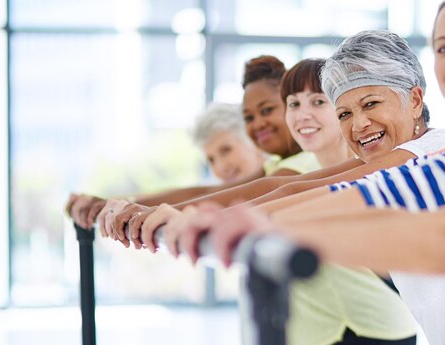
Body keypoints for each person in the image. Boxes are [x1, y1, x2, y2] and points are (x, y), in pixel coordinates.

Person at [171, 0, 445, 345]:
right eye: (344, 112)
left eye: (372, 103)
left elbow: (326, 194)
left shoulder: (433, 151)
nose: (358, 124)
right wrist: (185, 212)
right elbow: (298, 186)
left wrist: (219, 219)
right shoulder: (422, 153)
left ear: (415, 100)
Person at [66, 55, 315, 231]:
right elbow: (205, 192)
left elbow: (218, 197)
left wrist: (147, 210)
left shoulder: (306, 161)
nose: (258, 124)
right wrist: (117, 202)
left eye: (267, 110)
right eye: (249, 117)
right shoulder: (276, 164)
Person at [192, 102, 267, 183]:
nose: (220, 168)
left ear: (254, 140)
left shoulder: (281, 181)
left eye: (226, 150)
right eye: (211, 160)